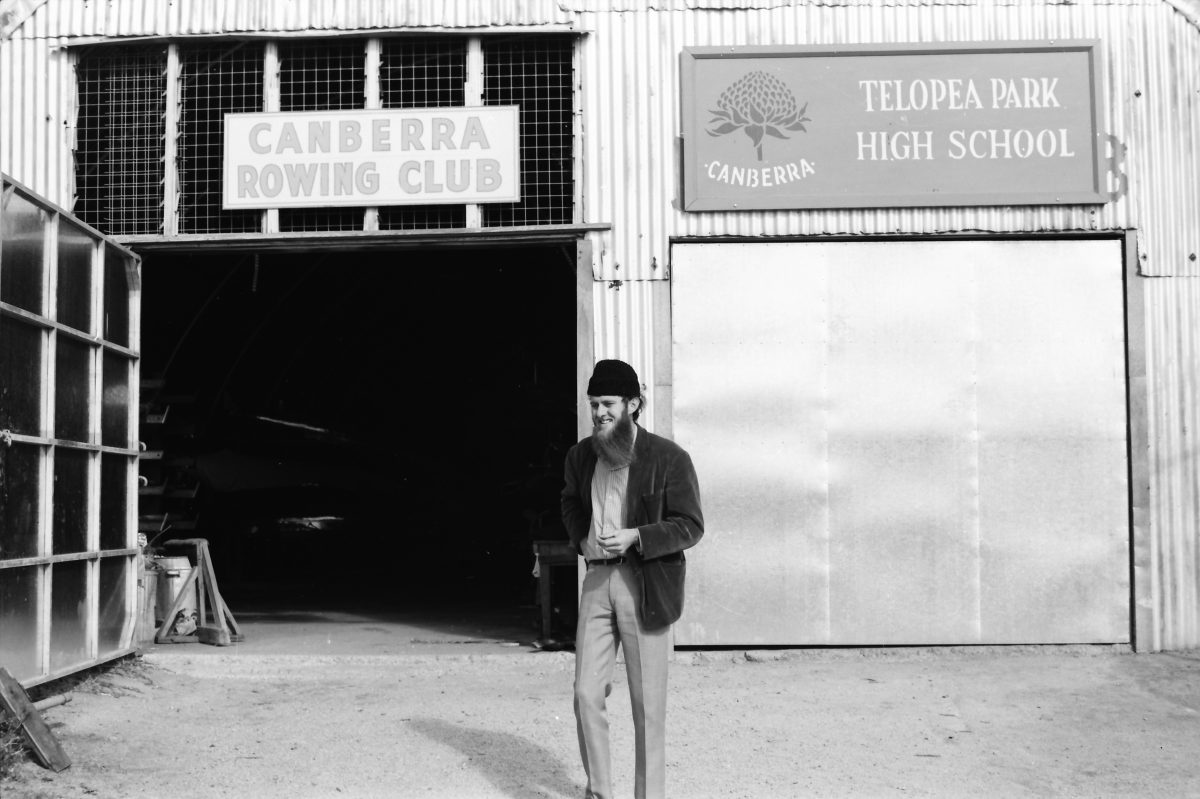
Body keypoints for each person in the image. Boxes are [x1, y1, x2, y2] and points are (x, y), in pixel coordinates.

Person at [561, 359, 704, 799]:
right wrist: (581, 540)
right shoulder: (581, 455)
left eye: (608, 404)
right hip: (597, 585)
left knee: (647, 708)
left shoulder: (669, 458)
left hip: (646, 585)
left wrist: (636, 537)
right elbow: (569, 501)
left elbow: (690, 525)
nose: (599, 413)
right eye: (593, 404)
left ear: (634, 404)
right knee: (586, 693)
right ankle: (600, 792)